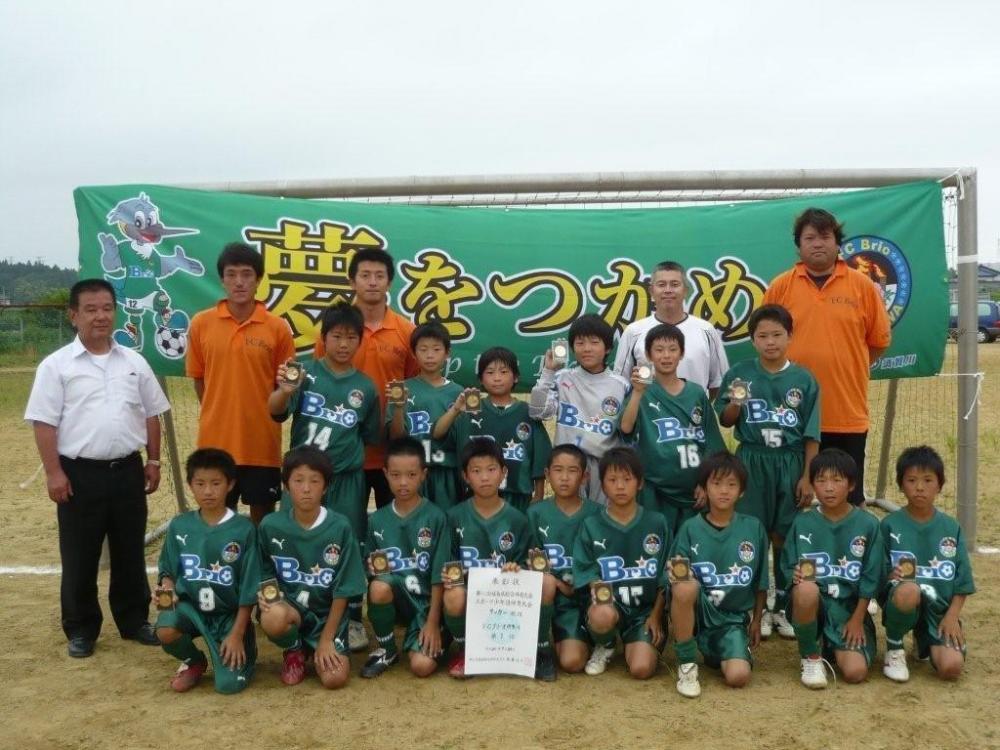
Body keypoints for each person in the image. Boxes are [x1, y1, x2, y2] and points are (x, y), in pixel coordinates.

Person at [25, 278, 169, 658]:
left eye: (106, 308)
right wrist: (54, 472)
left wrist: (154, 460)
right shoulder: (56, 366)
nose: (100, 316)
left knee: (129, 549)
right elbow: (44, 423)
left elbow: (152, 413)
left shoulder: (134, 362)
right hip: (78, 474)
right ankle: (81, 628)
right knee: (80, 554)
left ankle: (134, 620)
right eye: (90, 309)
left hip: (128, 471)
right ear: (73, 315)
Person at [269, 301, 380, 652]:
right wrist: (284, 391)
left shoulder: (366, 387)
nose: (343, 344)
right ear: (323, 337)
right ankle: (290, 611)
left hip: (345, 479)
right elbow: (275, 411)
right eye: (336, 336)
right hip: (303, 476)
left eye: (351, 337)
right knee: (295, 540)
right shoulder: (303, 373)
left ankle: (352, 617)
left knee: (349, 544)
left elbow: (370, 435)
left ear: (360, 340)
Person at [762, 209, 891, 505]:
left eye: (825, 236)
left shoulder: (862, 286)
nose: (817, 243)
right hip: (790, 416)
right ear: (799, 245)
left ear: (837, 243)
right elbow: (765, 338)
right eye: (809, 238)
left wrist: (846, 365)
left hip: (845, 413)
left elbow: (878, 343)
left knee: (848, 501)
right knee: (790, 500)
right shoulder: (780, 286)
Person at [715, 304, 820, 638]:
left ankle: (784, 606)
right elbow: (725, 420)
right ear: (753, 340)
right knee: (752, 533)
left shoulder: (804, 379)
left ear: (790, 336)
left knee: (785, 535)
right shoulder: (740, 374)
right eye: (763, 336)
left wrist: (807, 476)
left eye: (777, 335)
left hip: (789, 461)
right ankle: (754, 606)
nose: (770, 342)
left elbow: (811, 434)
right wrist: (736, 403)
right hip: (752, 460)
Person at [186, 242, 295, 524]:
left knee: (263, 522)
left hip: (262, 443)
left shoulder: (277, 328)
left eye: (247, 274)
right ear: (222, 280)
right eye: (231, 274)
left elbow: (283, 389)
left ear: (258, 280)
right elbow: (199, 381)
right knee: (218, 521)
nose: (239, 282)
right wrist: (218, 412)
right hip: (215, 443)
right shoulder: (201, 324)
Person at [441, 438, 555, 680]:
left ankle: (541, 650)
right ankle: (466, 651)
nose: (484, 477)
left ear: (503, 472)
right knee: (453, 594)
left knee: (547, 582)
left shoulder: (517, 519)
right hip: (472, 600)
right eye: (476, 471)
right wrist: (449, 576)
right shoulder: (454, 517)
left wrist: (518, 569)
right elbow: (448, 563)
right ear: (465, 476)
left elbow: (530, 566)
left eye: (491, 469)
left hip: (507, 599)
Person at [314, 248, 419, 509]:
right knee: (345, 524)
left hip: (391, 454)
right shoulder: (334, 330)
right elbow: (320, 381)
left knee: (391, 524)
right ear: (352, 281)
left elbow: (413, 384)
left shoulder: (406, 331)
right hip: (343, 452)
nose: (372, 282)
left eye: (379, 276)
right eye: (365, 275)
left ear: (389, 282)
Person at [257, 447, 366, 689]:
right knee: (273, 616)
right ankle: (294, 649)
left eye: (314, 481)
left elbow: (344, 589)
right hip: (291, 610)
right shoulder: (270, 526)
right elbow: (264, 573)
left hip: (327, 617)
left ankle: (317, 645)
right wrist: (267, 599)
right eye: (298, 480)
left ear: (325, 487)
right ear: (286, 486)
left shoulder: (340, 527)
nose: (306, 488)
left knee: (334, 679)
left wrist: (327, 639)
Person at [154, 448, 260, 693]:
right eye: (200, 484)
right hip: (192, 610)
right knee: (165, 627)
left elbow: (250, 587)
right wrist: (166, 594)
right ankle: (194, 661)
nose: (208, 491)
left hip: (228, 616)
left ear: (230, 484)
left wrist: (237, 633)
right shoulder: (180, 525)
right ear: (190, 485)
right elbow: (167, 572)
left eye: (216, 483)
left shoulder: (244, 529)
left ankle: (246, 645)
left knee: (228, 687)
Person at [669, 452, 768, 698]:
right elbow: (674, 577)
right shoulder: (690, 528)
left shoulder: (753, 528)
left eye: (731, 484)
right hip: (699, 614)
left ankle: (724, 651)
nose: (724, 491)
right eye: (716, 483)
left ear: (742, 491)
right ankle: (687, 663)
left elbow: (761, 581)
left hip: (731, 620)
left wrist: (757, 619)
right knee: (685, 585)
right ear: (704, 488)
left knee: (738, 676)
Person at [780, 449, 883, 689]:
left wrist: (857, 619)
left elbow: (872, 576)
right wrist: (793, 575)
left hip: (849, 611)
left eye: (837, 480)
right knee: (806, 589)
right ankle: (810, 655)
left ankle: (831, 645)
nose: (828, 488)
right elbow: (787, 566)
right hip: (814, 606)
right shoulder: (803, 522)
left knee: (855, 672)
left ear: (851, 485)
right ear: (812, 484)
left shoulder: (868, 524)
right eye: (821, 480)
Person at [619, 323, 726, 536]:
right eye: (659, 350)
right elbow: (625, 428)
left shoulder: (696, 393)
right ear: (648, 355)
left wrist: (707, 482)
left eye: (672, 349)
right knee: (655, 545)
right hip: (654, 490)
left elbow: (712, 444)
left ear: (682, 353)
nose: (666, 356)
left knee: (691, 546)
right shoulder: (642, 391)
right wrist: (638, 393)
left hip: (695, 493)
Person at [879, 446, 975, 683]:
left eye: (928, 480)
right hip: (903, 600)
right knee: (909, 590)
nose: (919, 487)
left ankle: (924, 639)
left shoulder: (951, 528)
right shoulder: (889, 525)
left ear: (940, 485)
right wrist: (890, 576)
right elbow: (878, 577)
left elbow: (963, 582)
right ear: (901, 485)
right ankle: (894, 648)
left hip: (939, 610)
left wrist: (952, 617)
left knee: (951, 668)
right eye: (911, 480)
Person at [573, 447, 669, 679]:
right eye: (612, 480)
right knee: (602, 615)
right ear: (603, 485)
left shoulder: (657, 523)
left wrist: (656, 616)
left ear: (640, 483)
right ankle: (604, 643)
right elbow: (587, 572)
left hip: (644, 612)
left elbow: (665, 578)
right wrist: (603, 605)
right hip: (611, 606)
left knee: (641, 669)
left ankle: (634, 642)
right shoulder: (592, 525)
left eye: (627, 479)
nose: (620, 486)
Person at [361, 437, 450, 678]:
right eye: (395, 475)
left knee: (421, 666)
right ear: (385, 474)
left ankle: (440, 634)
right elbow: (372, 570)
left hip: (428, 606)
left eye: (411, 475)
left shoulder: (436, 517)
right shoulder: (377, 520)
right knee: (379, 587)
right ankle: (387, 649)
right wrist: (372, 569)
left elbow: (439, 575)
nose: (403, 482)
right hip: (398, 601)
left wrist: (433, 622)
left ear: (423, 475)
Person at [434, 346, 551, 512]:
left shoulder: (527, 413)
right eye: (490, 372)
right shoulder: (469, 412)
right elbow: (438, 434)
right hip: (475, 497)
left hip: (517, 497)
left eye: (503, 372)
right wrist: (455, 410)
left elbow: (540, 456)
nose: (497, 378)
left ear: (516, 377)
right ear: (480, 379)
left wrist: (538, 494)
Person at [529, 314, 629, 503]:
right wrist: (548, 371)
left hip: (605, 466)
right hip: (569, 465)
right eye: (580, 343)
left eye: (594, 342)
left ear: (608, 348)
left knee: (603, 517)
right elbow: (538, 412)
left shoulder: (621, 385)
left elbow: (628, 430)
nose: (587, 348)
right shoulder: (562, 377)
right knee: (569, 516)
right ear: (572, 347)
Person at [527, 444, 602, 673]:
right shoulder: (535, 513)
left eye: (572, 471)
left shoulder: (597, 514)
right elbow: (533, 561)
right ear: (547, 474)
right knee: (545, 582)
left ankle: (590, 636)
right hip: (552, 594)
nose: (565, 477)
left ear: (585, 477)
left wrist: (580, 584)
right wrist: (559, 584)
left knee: (572, 662)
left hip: (585, 596)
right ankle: (541, 644)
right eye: (558, 470)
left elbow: (602, 563)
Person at [614, 261, 729, 398]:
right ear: (651, 291)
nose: (668, 290)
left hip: (695, 410)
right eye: (661, 284)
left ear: (685, 290)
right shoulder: (634, 332)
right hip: (648, 411)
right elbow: (620, 384)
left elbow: (719, 383)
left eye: (675, 284)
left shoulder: (706, 330)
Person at [386, 321, 464, 510]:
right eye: (423, 349)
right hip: (411, 474)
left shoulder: (458, 393)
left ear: (447, 353)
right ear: (413, 353)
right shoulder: (402, 389)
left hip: (446, 473)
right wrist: (398, 408)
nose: (430, 355)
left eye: (436, 349)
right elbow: (395, 438)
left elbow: (462, 440)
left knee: (445, 523)